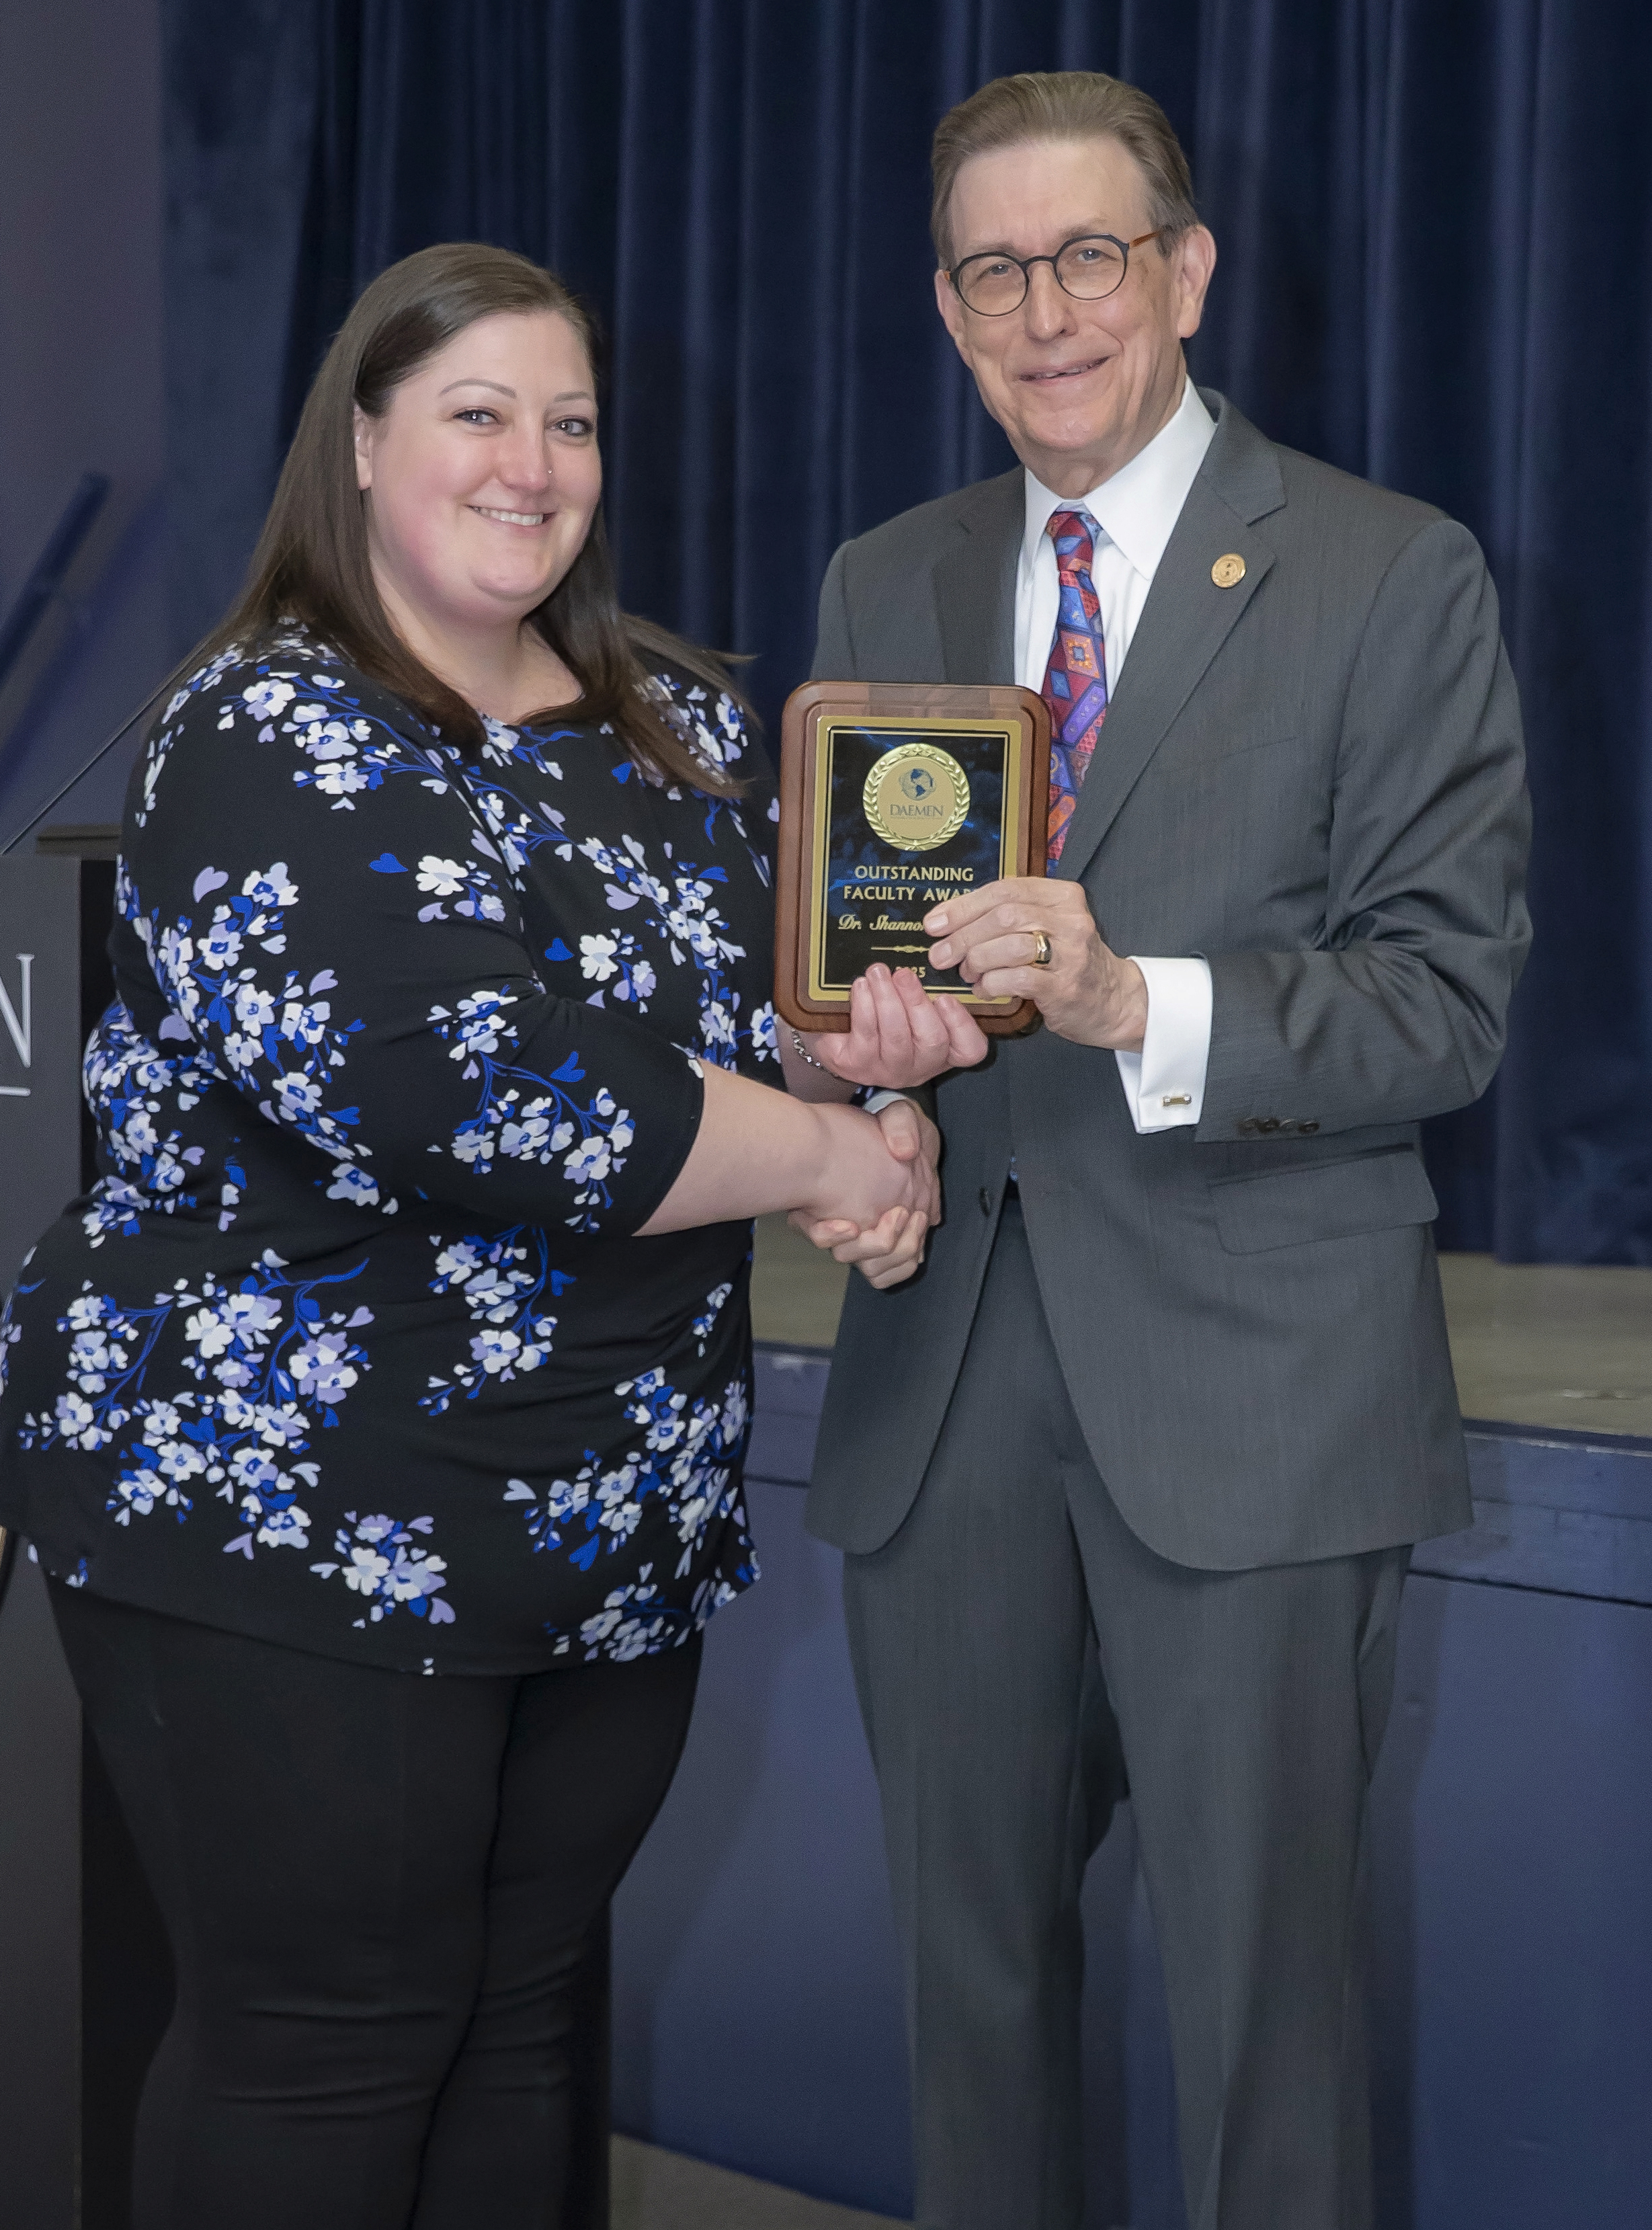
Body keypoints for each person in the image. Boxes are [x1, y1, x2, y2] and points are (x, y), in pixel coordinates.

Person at [0, 241, 960, 2230]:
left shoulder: (672, 723)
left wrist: (872, 1082)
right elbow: (470, 1087)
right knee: (324, 2043)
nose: (535, 462)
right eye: (477, 412)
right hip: (289, 1518)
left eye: (572, 419)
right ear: (358, 444)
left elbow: (748, 1006)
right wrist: (816, 1161)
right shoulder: (268, 731)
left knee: (520, 2028)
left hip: (602, 1517)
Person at [794, 70, 1531, 2230]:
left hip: (1257, 1390)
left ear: (1184, 273)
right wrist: (858, 1073)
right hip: (942, 1391)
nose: (1046, 313)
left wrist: (1141, 1003)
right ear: (945, 309)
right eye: (994, 270)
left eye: (1088, 256)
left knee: (1261, 2024)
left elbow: (1447, 1000)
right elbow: (847, 985)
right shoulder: (886, 576)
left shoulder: (1390, 573)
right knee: (966, 2003)